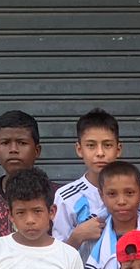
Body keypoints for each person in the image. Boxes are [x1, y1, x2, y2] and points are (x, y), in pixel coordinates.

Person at [51, 107, 133, 254]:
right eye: (91, 145)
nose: (100, 153)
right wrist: (78, 236)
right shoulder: (66, 197)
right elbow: (57, 256)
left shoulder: (136, 187)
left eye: (107, 145)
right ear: (79, 149)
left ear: (118, 149)